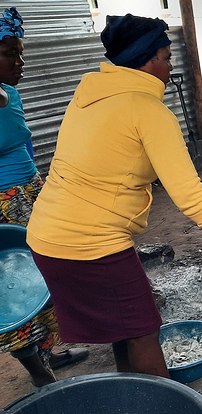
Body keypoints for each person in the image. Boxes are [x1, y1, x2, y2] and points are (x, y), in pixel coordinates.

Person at [26, 14, 202, 378]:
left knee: (124, 329)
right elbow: (191, 199)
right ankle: (162, 402)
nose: (169, 65)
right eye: (166, 57)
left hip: (48, 235)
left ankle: (134, 397)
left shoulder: (91, 93)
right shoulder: (148, 111)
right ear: (148, 61)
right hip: (87, 243)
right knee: (143, 331)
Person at [0, 7, 88, 387]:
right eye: (10, 54)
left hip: (30, 191)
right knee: (12, 286)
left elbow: (24, 144)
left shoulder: (11, 93)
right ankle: (38, 373)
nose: (20, 62)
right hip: (3, 203)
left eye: (20, 53)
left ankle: (49, 350)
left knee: (45, 271)